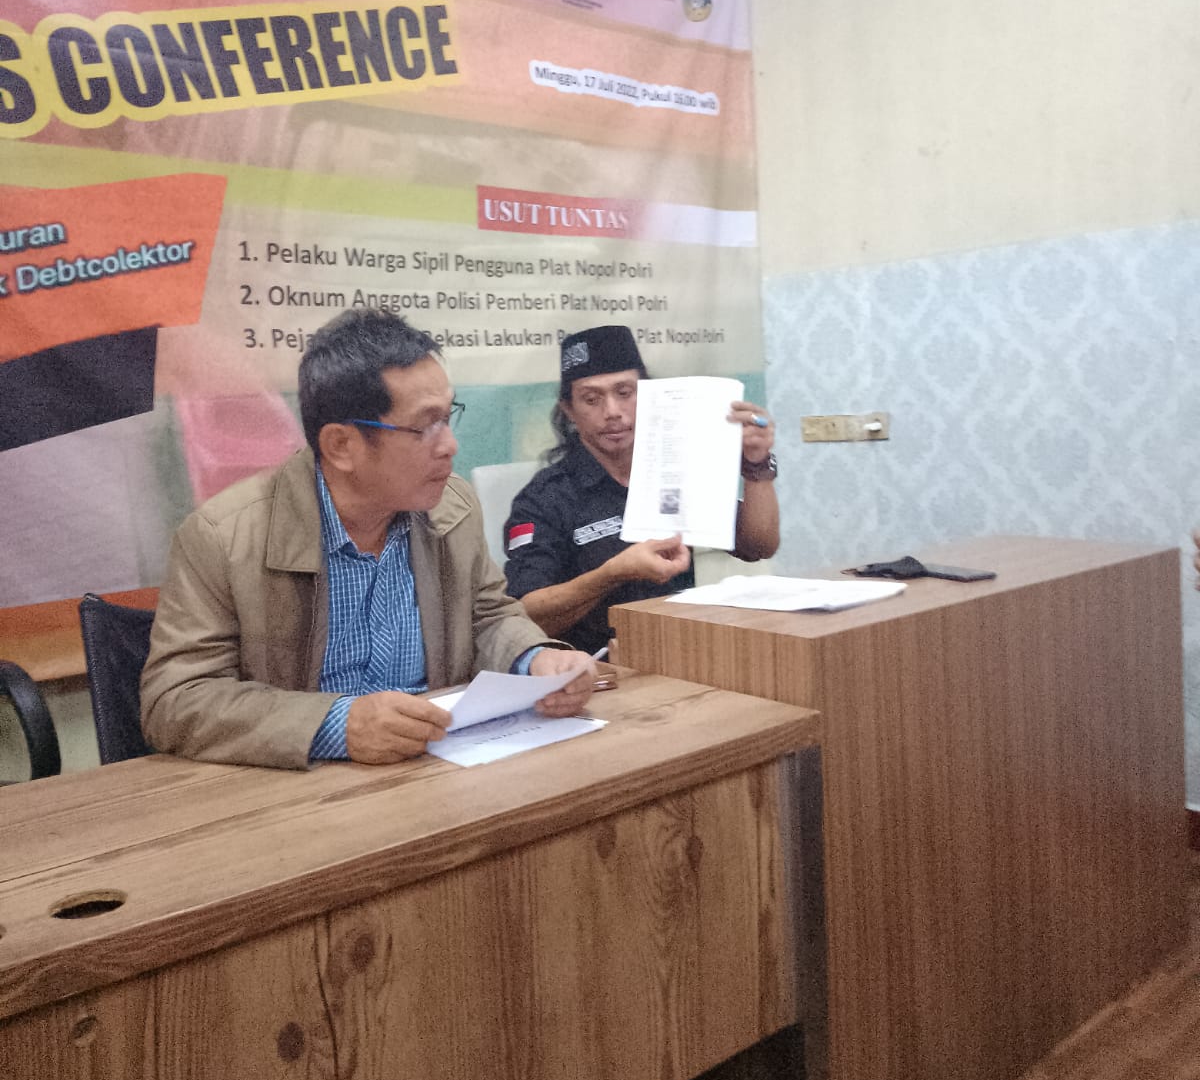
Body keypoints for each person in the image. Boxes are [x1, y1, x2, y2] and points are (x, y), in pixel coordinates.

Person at [142, 309, 598, 768]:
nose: (450, 446)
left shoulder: (451, 508)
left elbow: (488, 616)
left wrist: (534, 658)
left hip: (435, 765)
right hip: (303, 786)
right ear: (341, 445)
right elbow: (176, 699)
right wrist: (337, 725)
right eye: (425, 426)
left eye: (448, 417)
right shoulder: (224, 537)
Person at [503, 325, 779, 656]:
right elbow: (525, 615)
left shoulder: (675, 465)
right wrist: (612, 574)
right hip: (596, 667)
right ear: (569, 410)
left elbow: (758, 546)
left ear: (650, 396)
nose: (612, 412)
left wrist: (756, 465)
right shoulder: (544, 498)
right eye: (591, 399)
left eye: (625, 393)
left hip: (683, 652)